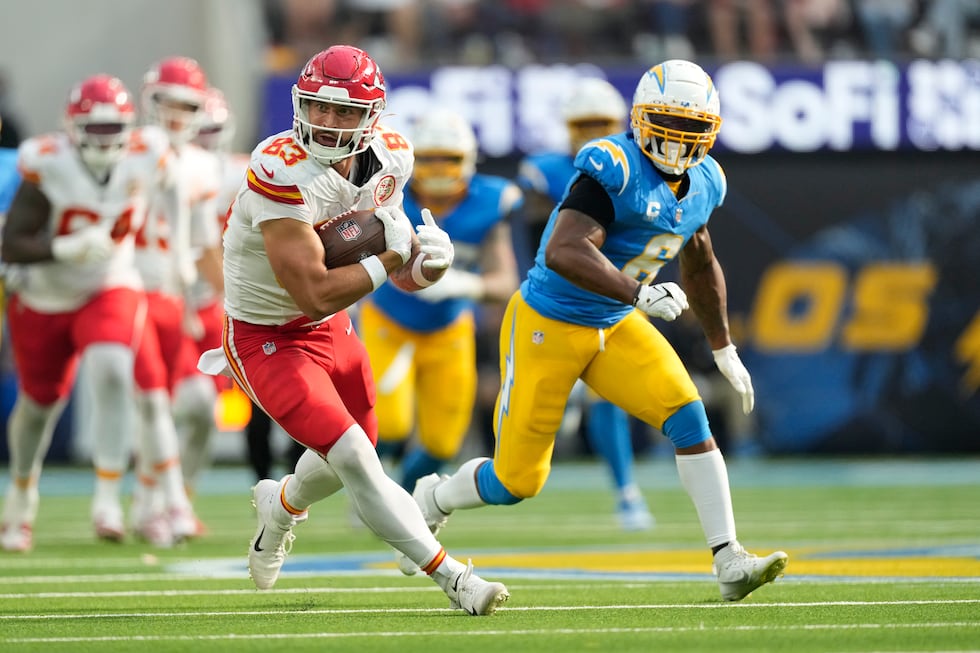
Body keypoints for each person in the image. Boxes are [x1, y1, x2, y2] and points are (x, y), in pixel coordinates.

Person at [406, 59, 788, 602]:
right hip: (549, 322)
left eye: (691, 128)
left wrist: (723, 344)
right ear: (638, 119)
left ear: (710, 134)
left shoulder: (707, 183)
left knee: (688, 415)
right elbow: (563, 249)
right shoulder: (613, 166)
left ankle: (728, 559)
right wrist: (638, 293)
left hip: (613, 322)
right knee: (517, 482)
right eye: (667, 124)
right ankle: (436, 498)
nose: (678, 141)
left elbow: (700, 263)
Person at [197, 45, 509, 615]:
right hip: (265, 335)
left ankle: (281, 507)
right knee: (361, 462)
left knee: (347, 459)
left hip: (329, 326)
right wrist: (393, 260)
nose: (326, 122)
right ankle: (454, 578)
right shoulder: (279, 168)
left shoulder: (391, 159)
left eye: (343, 113)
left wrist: (430, 265)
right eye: (318, 108)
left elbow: (402, 271)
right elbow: (312, 289)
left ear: (372, 117)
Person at [0, 74, 172, 550]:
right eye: (93, 129)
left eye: (112, 127)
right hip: (45, 295)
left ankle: (107, 497)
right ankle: (21, 495)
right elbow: (12, 244)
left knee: (115, 369)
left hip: (109, 283)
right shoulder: (46, 162)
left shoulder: (148, 151)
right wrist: (63, 247)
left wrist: (172, 254)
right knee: (39, 406)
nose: (104, 139)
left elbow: (175, 190)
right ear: (71, 128)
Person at [359, 108, 520, 550]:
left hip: (450, 328)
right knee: (387, 424)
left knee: (442, 441)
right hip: (391, 321)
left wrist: (462, 283)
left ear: (467, 160)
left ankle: (400, 500)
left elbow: (505, 280)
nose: (437, 170)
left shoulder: (490, 203)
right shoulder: (389, 193)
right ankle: (370, 492)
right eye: (427, 159)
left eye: (448, 159)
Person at [516, 76, 654, 532]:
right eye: (585, 123)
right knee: (531, 403)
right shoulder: (547, 170)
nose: (594, 131)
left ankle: (626, 491)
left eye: (602, 122)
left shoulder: (637, 168)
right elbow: (543, 240)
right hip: (556, 296)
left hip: (610, 294)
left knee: (609, 399)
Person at [127, 56, 221, 546]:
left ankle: (166, 495)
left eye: (186, 106)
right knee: (153, 401)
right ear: (149, 101)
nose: (175, 115)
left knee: (198, 403)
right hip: (125, 291)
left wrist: (234, 297)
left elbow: (204, 247)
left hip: (171, 297)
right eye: (166, 102)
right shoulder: (130, 147)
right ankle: (159, 506)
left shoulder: (204, 168)